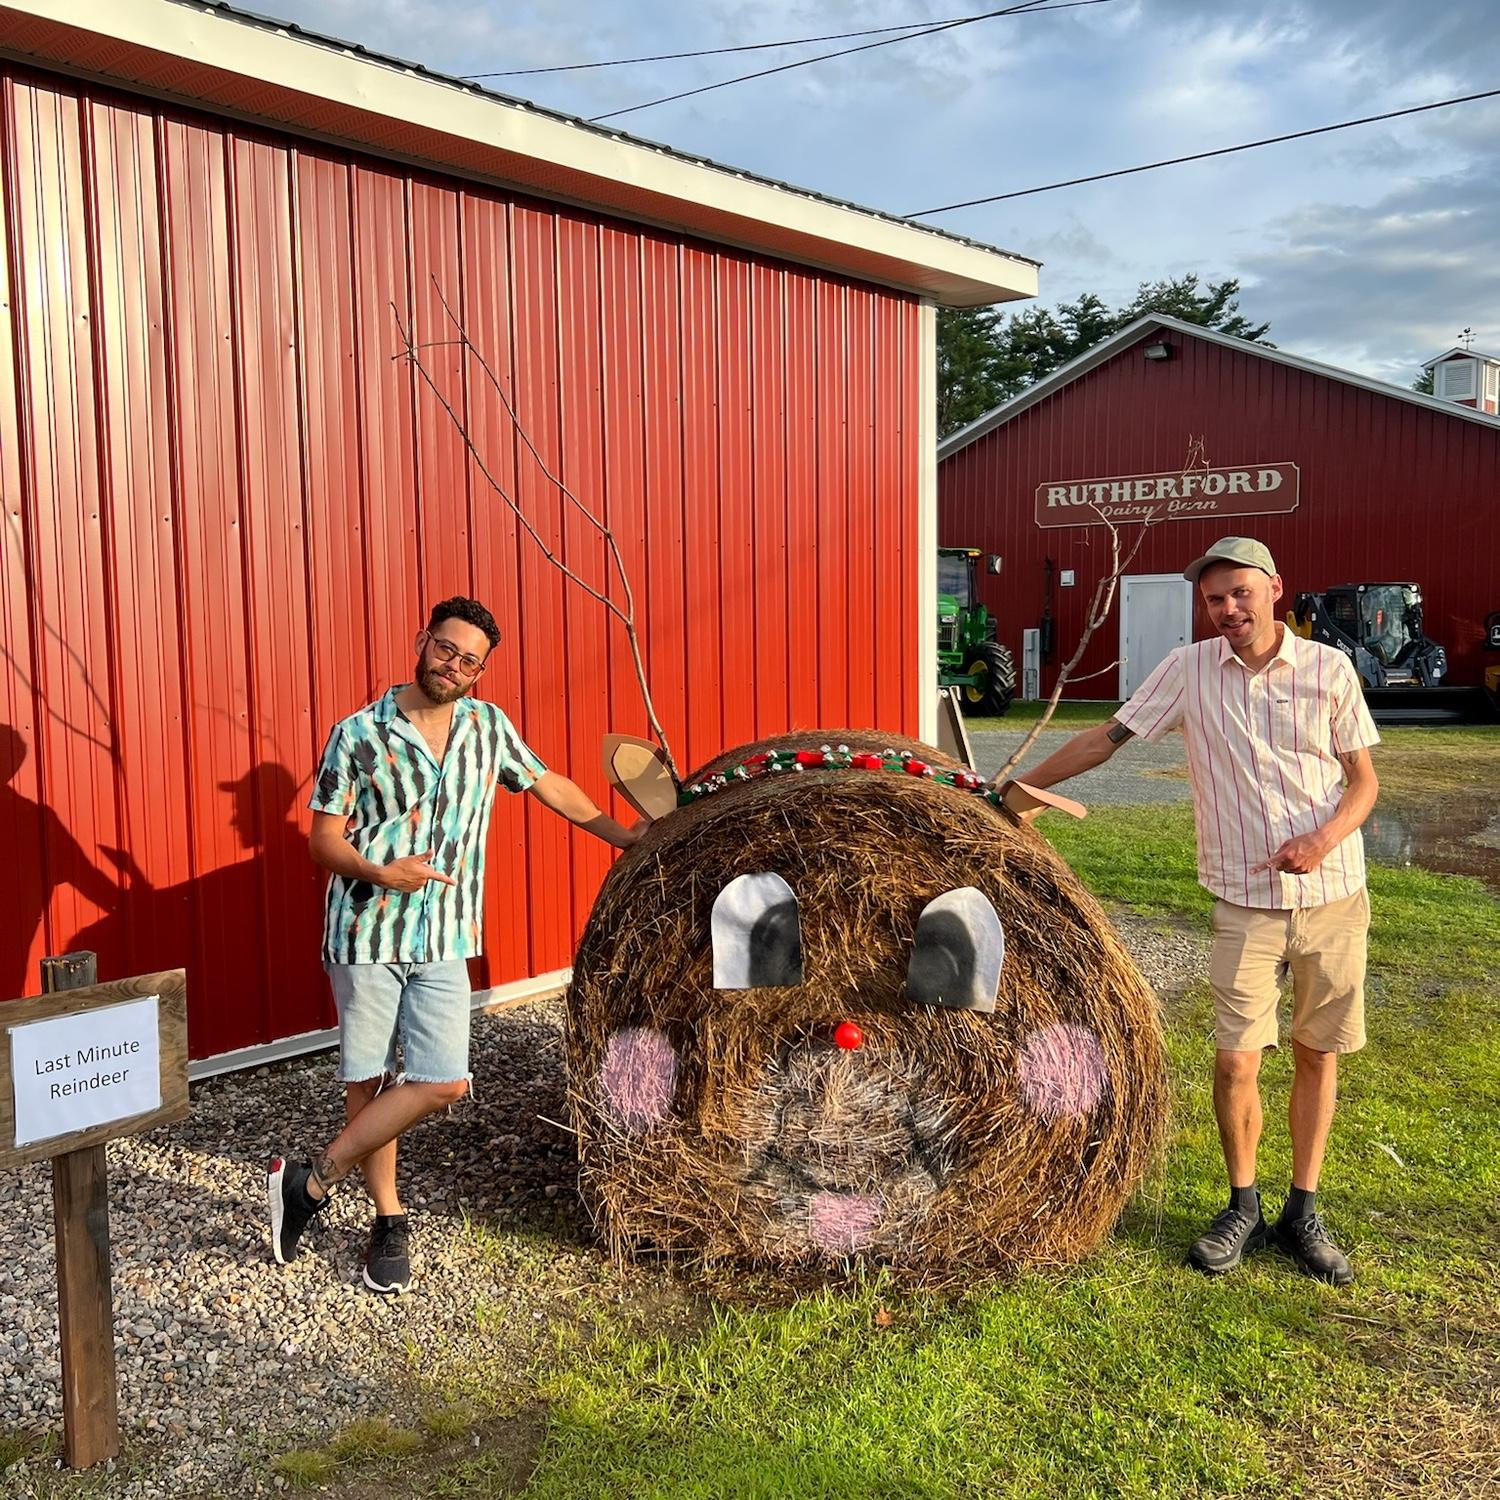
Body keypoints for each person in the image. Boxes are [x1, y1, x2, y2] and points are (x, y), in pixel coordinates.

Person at [999, 538, 1379, 1285]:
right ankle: (1243, 1206)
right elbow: (1106, 740)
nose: (1228, 610)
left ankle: (1304, 1210)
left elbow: (1363, 782)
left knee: (1316, 1053)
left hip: (1334, 896)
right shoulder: (1188, 671)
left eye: (1240, 594)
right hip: (1244, 902)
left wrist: (1323, 836)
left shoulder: (1329, 670)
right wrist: (1014, 793)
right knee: (1236, 1059)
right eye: (1214, 600)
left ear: (1274, 587)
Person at [267, 596, 645, 1293]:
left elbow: (548, 784)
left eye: (471, 660)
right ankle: (388, 1218)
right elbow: (323, 838)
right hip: (366, 932)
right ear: (423, 640)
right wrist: (382, 870)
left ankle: (312, 1180)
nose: (455, 666)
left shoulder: (487, 726)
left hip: (445, 934)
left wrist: (625, 838)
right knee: (370, 1079)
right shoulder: (357, 734)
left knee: (445, 1080)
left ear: (481, 671)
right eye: (447, 649)